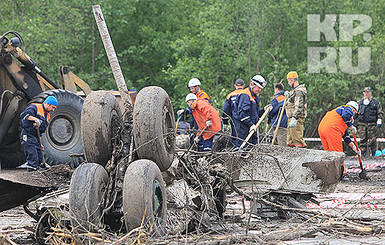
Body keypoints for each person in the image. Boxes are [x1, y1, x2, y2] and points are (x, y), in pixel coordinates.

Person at [318, 101, 361, 176]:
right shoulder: (348, 108)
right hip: (332, 129)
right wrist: (351, 126)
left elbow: (345, 136)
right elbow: (346, 115)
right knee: (337, 152)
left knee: (328, 153)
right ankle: (340, 173)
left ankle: (329, 173)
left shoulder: (338, 115)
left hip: (322, 129)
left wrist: (354, 147)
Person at [19, 96, 58, 170]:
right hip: (28, 134)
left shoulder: (47, 114)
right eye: (53, 107)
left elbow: (41, 130)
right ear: (47, 104)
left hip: (36, 136)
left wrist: (40, 143)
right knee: (32, 153)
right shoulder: (35, 107)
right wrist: (35, 119)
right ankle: (32, 169)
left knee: (40, 155)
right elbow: (24, 115)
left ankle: (39, 167)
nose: (53, 110)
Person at [233, 75, 267, 150]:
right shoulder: (245, 95)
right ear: (252, 85)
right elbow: (243, 114)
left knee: (253, 148)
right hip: (243, 129)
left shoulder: (254, 97)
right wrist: (251, 124)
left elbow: (254, 114)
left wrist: (264, 110)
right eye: (258, 88)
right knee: (245, 149)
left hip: (251, 127)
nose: (260, 90)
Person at [356, 87, 384, 157]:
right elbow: (356, 112)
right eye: (365, 92)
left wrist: (379, 119)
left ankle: (373, 155)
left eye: (368, 92)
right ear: (363, 93)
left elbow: (380, 112)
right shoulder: (360, 103)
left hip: (372, 125)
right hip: (362, 124)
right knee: (362, 140)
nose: (366, 94)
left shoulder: (375, 102)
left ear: (370, 93)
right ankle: (362, 154)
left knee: (373, 140)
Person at [286, 71, 307, 148]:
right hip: (291, 117)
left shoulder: (299, 91)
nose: (288, 83)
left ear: (292, 80)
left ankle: (302, 156)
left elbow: (299, 106)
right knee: (290, 141)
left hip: (296, 118)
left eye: (288, 81)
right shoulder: (294, 91)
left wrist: (295, 118)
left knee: (298, 140)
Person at [222, 78, 245, 148]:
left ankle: (236, 151)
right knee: (245, 137)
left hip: (234, 119)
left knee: (235, 137)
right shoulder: (247, 94)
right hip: (245, 119)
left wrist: (225, 121)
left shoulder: (230, 95)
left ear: (235, 86)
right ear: (243, 86)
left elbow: (226, 110)